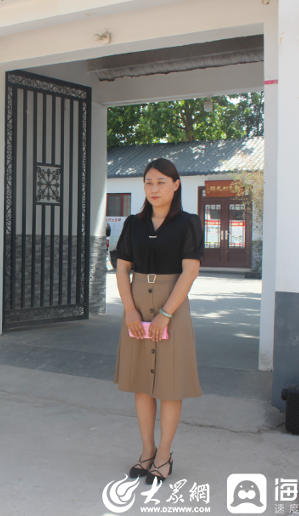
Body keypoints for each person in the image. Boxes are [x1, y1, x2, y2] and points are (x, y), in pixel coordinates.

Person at [113, 158, 204, 484]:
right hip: (137, 302)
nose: (154, 188)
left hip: (173, 304)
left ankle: (164, 455)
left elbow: (190, 270)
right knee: (141, 383)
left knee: (168, 385)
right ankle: (147, 451)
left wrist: (166, 314)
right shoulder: (133, 224)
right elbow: (122, 267)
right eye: (149, 182)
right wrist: (129, 309)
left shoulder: (188, 223)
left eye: (161, 182)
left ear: (176, 184)